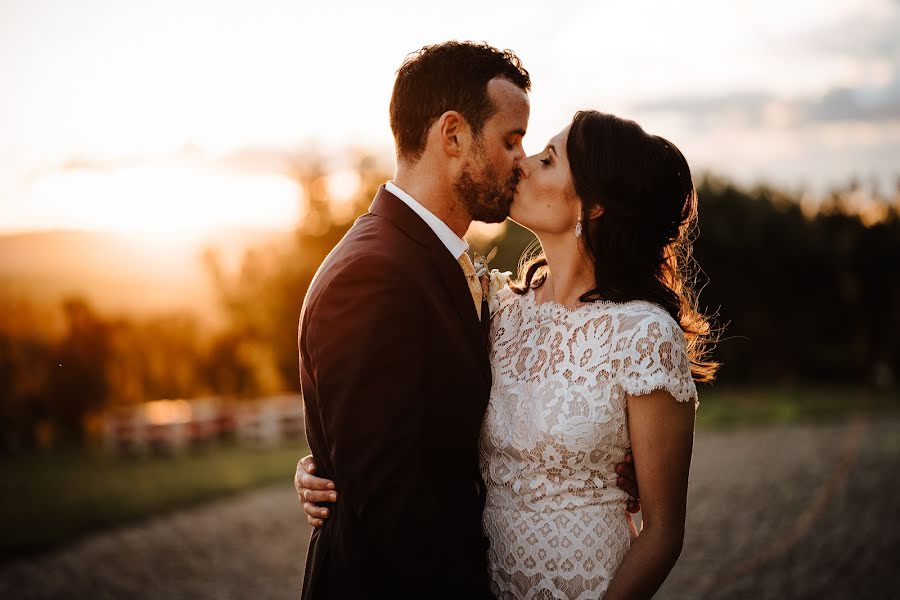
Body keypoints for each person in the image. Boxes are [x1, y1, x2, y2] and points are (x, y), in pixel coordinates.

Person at [297, 109, 718, 598]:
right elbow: (401, 405)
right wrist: (325, 463)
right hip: (485, 584)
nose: (522, 163)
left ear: (595, 204)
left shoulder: (644, 334)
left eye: (547, 160)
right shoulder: (496, 307)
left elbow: (664, 532)